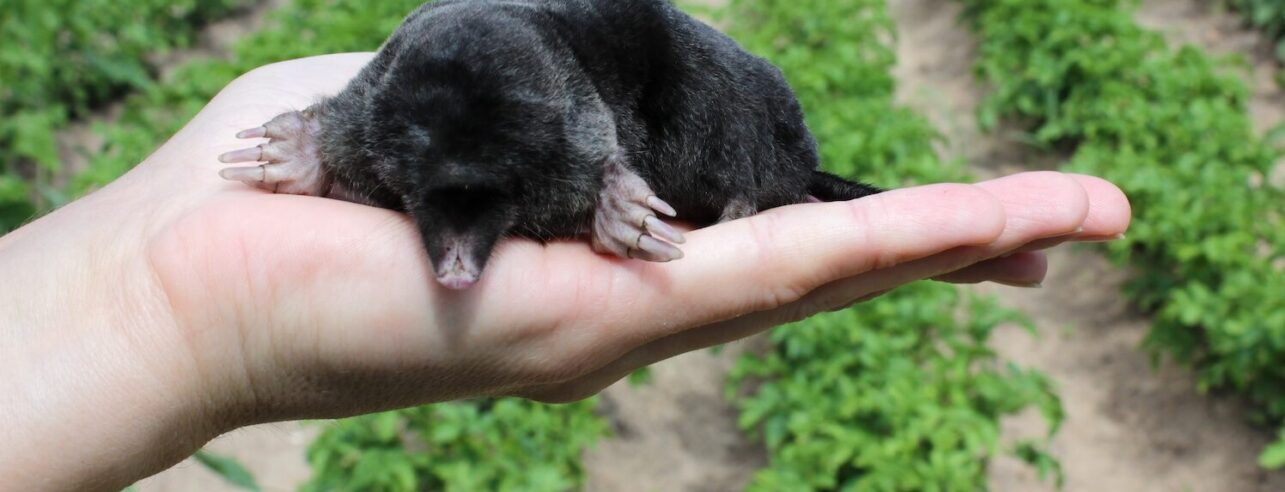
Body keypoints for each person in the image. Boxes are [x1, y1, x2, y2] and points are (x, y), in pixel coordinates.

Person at [0, 54, 1130, 490]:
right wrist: (169, 301)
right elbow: (360, 132)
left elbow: (588, 141)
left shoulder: (589, 129)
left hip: (671, 118)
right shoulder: (377, 118)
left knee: (749, 168)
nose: (457, 270)